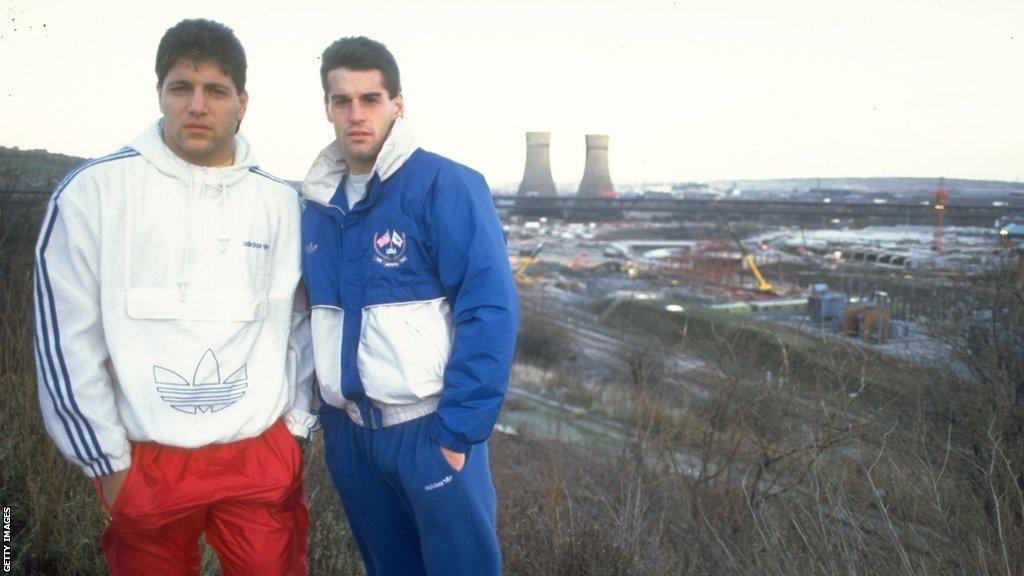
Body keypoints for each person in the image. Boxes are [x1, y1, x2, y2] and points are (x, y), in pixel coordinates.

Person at [34, 18, 316, 575]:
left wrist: (297, 428)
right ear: (159, 93)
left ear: (242, 102)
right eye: (181, 88)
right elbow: (66, 341)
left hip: (259, 453)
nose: (197, 106)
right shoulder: (94, 194)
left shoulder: (282, 203)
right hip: (145, 460)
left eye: (216, 90)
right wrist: (107, 463)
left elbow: (300, 324)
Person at [300, 36, 519, 575]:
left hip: (428, 433)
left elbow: (490, 310)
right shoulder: (314, 204)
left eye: (371, 99)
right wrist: (330, 422)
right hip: (353, 440)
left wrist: (456, 434)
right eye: (342, 100)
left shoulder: (445, 185)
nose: (356, 114)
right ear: (326, 107)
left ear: (398, 104)